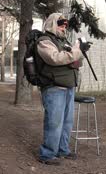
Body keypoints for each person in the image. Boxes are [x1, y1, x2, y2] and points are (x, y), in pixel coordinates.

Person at [36, 13, 85, 166]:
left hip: (68, 87)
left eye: (65, 23)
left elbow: (77, 60)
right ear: (52, 23)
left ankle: (63, 149)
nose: (64, 26)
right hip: (54, 88)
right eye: (60, 23)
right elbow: (55, 58)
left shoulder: (63, 41)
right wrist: (75, 53)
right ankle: (47, 154)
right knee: (54, 122)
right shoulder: (45, 41)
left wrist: (75, 55)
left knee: (67, 122)